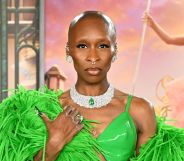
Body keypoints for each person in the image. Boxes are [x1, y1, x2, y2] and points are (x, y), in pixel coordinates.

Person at [34, 11, 157, 161]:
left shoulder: (140, 111)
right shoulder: (48, 110)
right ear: (68, 50)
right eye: (82, 45)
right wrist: (53, 144)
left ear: (115, 50)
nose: (93, 57)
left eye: (103, 46)